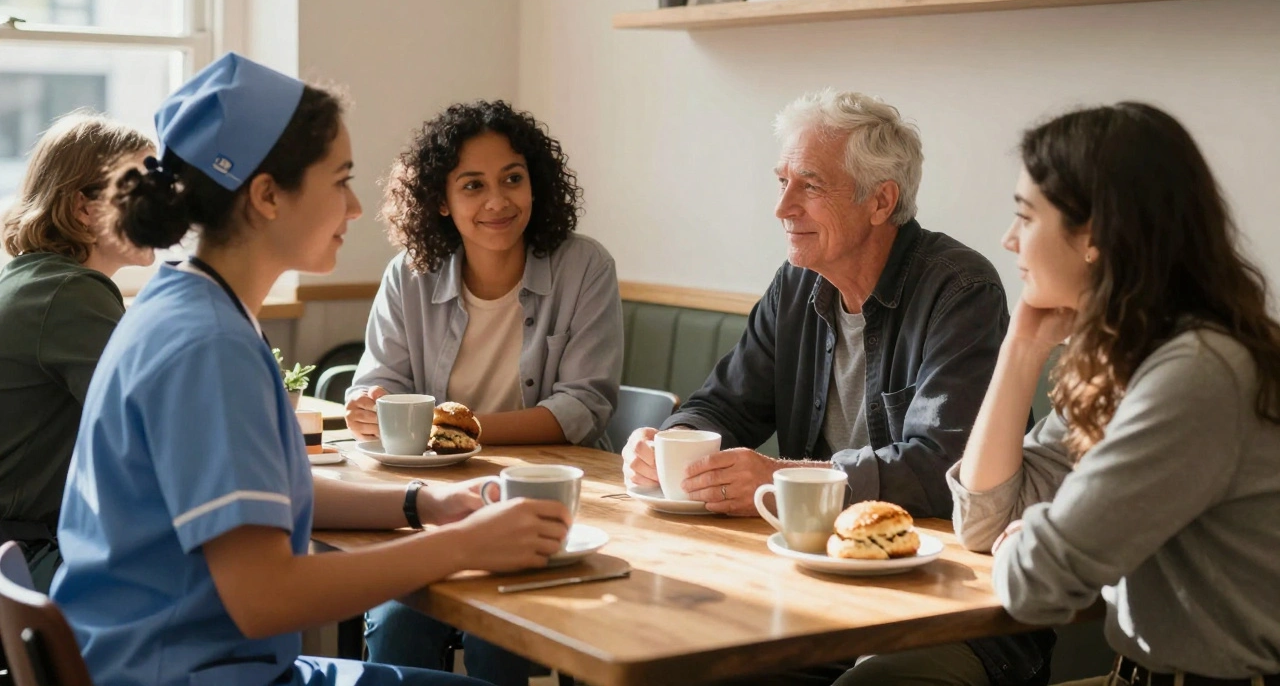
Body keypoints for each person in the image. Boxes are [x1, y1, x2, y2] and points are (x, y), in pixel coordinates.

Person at [51, 52, 571, 686]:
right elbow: (266, 595)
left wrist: (422, 502)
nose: (355, 208)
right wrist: (464, 546)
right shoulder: (207, 345)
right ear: (268, 195)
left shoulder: (187, 305)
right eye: (341, 180)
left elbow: (264, 501)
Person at [623, 89, 1052, 686]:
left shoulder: (960, 290)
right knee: (665, 652)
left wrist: (784, 481)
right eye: (782, 182)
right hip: (819, 587)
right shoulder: (797, 285)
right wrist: (669, 442)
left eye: (810, 186)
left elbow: (942, 469)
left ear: (881, 201)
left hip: (952, 607)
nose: (783, 209)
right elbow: (722, 404)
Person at [950, 103, 1280, 686]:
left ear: (1094, 236)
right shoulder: (1134, 359)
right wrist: (1020, 351)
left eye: (1025, 218)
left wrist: (1043, 531)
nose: (1008, 240)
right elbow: (984, 522)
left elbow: (1038, 585)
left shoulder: (1197, 376)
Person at [346, 100, 623, 685]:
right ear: (441, 201)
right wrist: (372, 409)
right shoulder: (408, 274)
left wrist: (454, 433)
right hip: (432, 507)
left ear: (535, 184)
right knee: (398, 623)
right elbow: (377, 383)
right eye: (473, 185)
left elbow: (583, 407)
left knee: (499, 639)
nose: (498, 201)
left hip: (547, 506)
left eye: (513, 179)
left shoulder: (584, 266)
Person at [0, 112, 153, 593]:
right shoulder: (70, 293)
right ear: (84, 210)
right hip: (31, 555)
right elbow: (151, 440)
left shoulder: (34, 278)